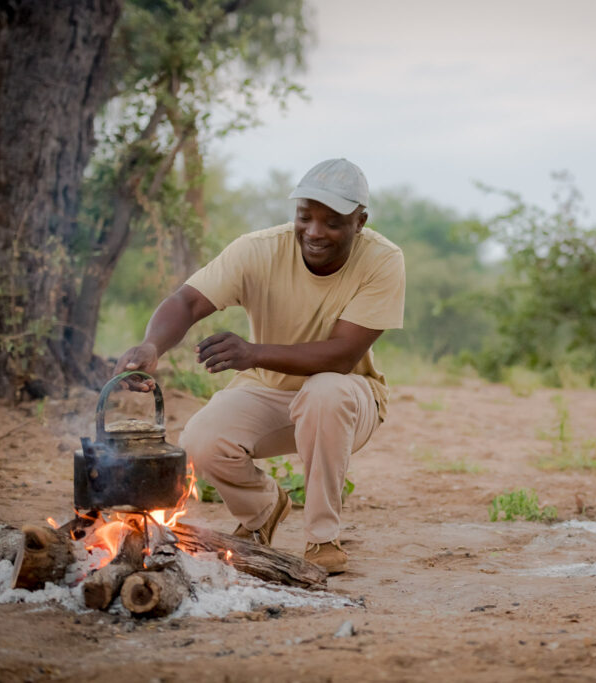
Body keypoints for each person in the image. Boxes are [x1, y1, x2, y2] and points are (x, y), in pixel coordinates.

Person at [113, 158, 405, 574]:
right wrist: (151, 345)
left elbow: (341, 355)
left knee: (325, 390)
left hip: (347, 398)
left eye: (333, 222)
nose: (315, 232)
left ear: (360, 221)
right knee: (201, 440)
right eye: (305, 217)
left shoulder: (382, 260)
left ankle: (322, 538)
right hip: (269, 391)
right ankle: (263, 508)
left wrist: (253, 353)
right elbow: (188, 301)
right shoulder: (259, 250)